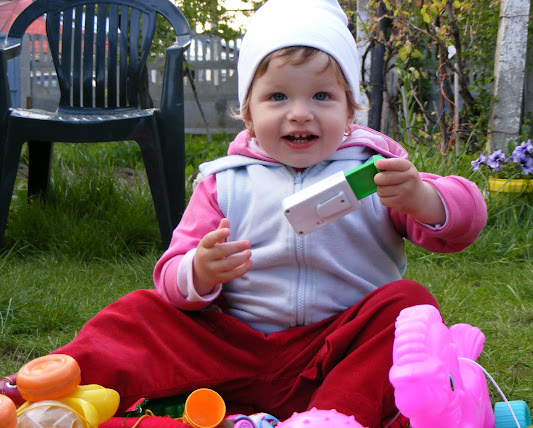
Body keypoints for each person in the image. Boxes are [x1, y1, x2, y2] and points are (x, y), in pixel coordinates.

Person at [1, 0, 487, 427]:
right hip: (235, 348)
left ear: (349, 111)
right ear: (248, 114)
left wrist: (423, 199)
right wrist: (199, 271)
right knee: (139, 313)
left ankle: (333, 416)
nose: (300, 112)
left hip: (337, 351)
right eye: (278, 97)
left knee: (408, 305)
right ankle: (41, 392)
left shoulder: (377, 172)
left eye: (322, 96)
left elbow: (466, 221)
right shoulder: (224, 182)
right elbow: (169, 275)